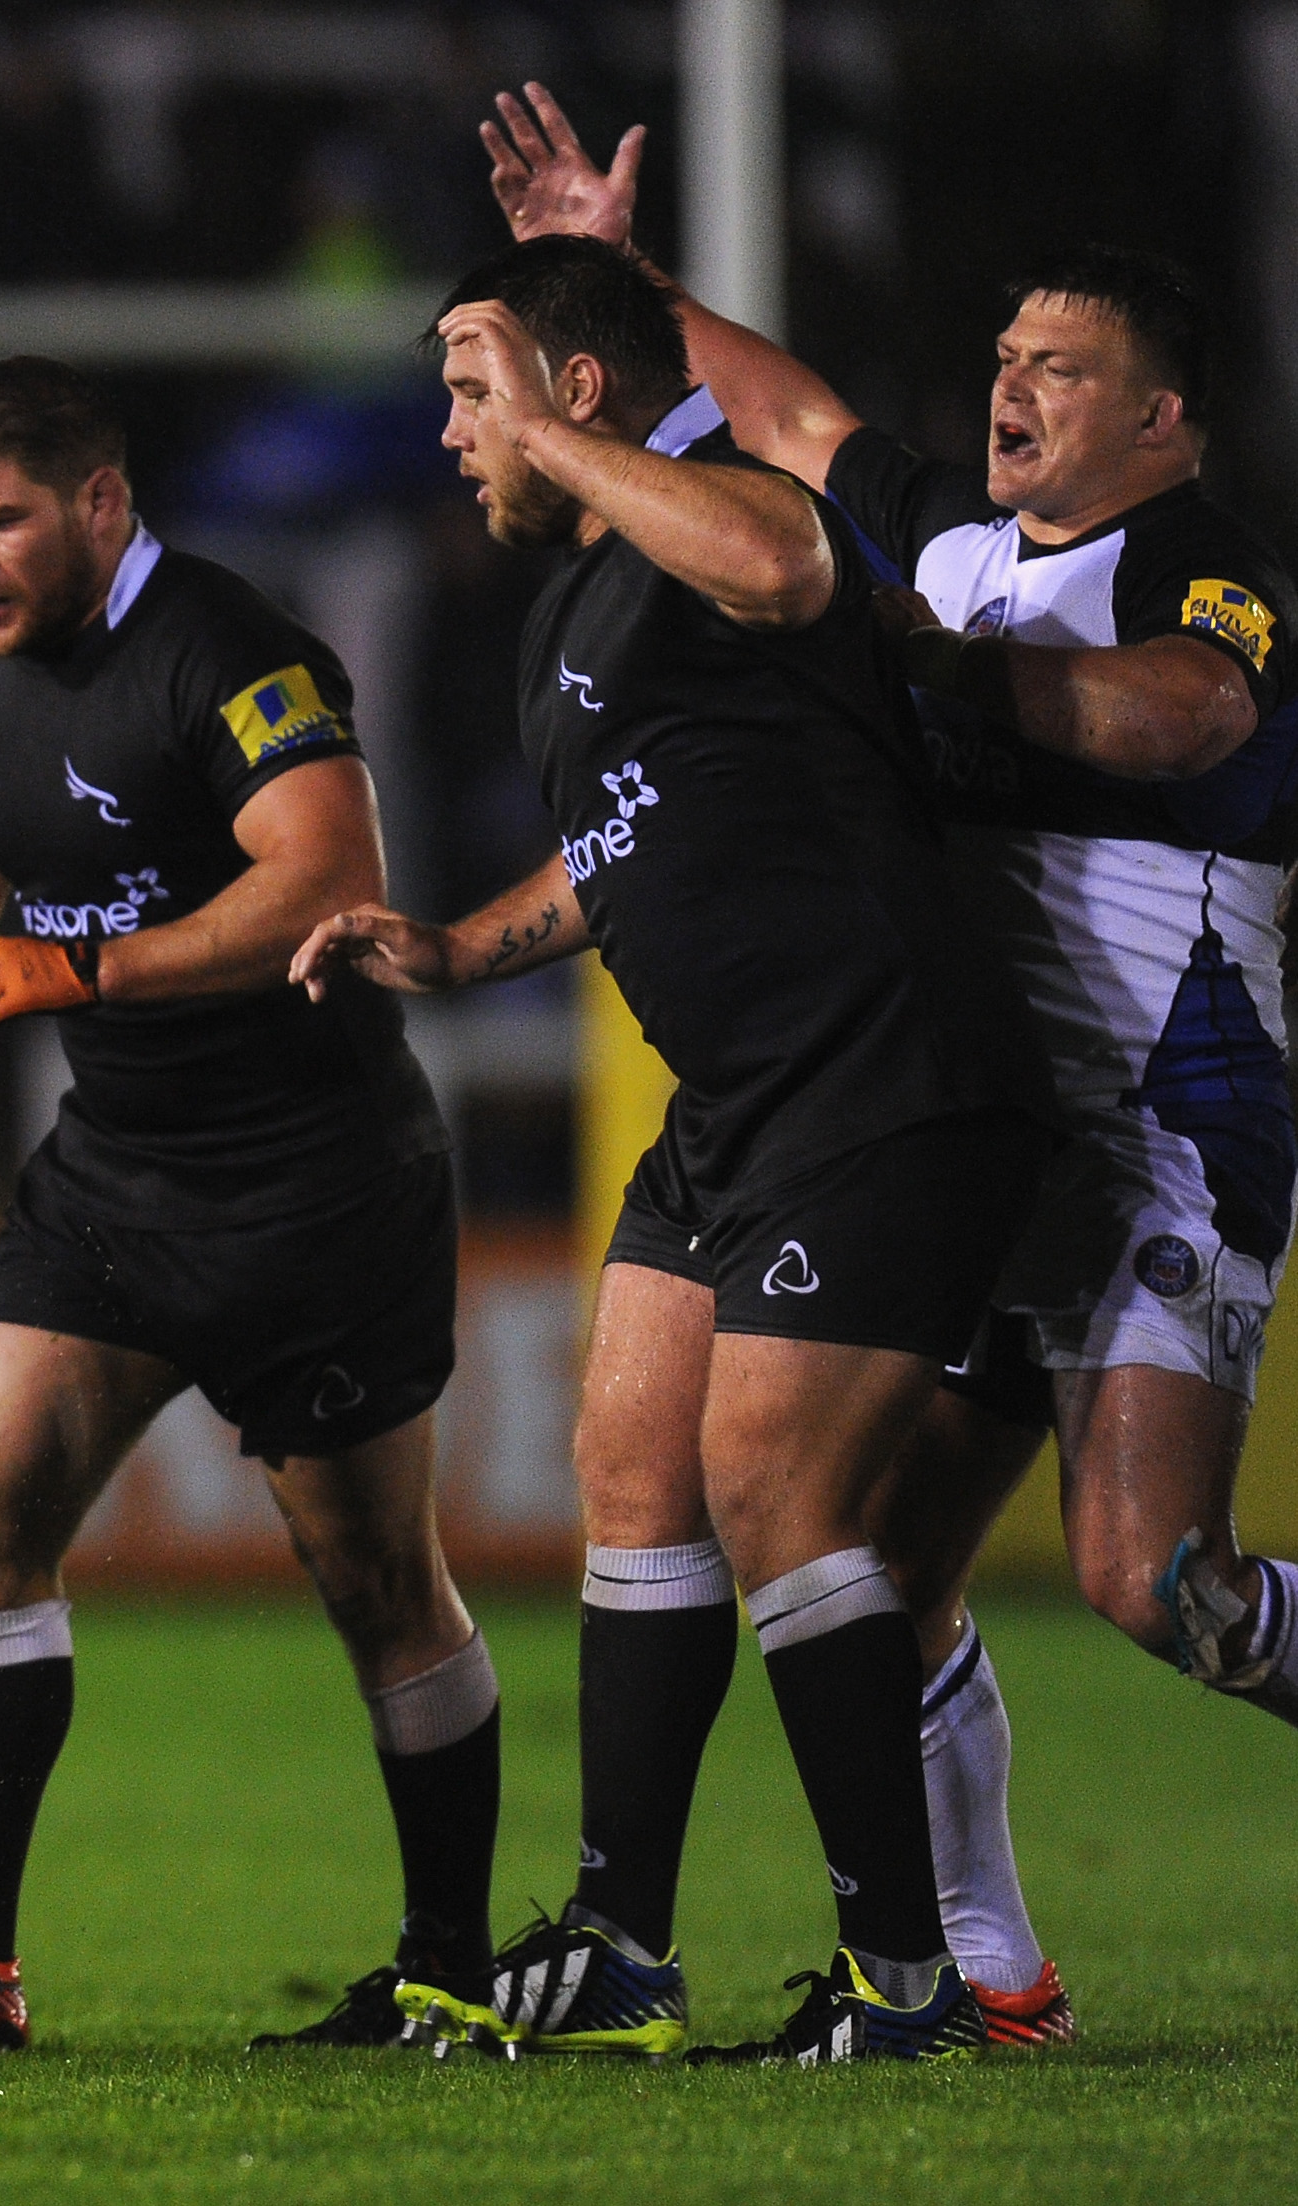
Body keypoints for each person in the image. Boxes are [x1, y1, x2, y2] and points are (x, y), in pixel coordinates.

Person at [484, 83, 1298, 2049]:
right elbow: (791, 415)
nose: (1013, 389)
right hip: (982, 1110)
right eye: (1008, 357)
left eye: (1065, 369)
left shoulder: (1207, 568)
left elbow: (1182, 719)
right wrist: (619, 273)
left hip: (1167, 1125)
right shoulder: (945, 537)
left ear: (1161, 418)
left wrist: (917, 659)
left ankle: (956, 1955)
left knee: (1146, 1576)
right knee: (881, 1555)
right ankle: (989, 1966)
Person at [293, 235, 1056, 2063]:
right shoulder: (570, 610)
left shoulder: (715, 519)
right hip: (732, 1108)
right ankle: (625, 1937)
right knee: (628, 1462)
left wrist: (564, 444)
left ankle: (908, 1978)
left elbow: (793, 556)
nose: (453, 433)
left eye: (475, 387)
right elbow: (630, 837)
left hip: (876, 1078)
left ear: (574, 393)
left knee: (777, 1491)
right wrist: (462, 944)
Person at [0, 355, 494, 2054]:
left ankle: (446, 1963)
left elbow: (329, 878)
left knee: (378, 1579)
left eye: (0, 519)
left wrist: (77, 962)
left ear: (99, 501)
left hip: (315, 1187)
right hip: (113, 1185)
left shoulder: (230, 653)